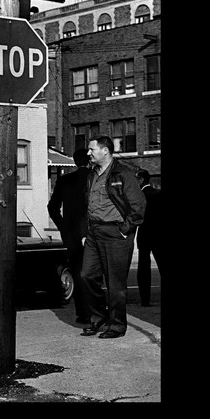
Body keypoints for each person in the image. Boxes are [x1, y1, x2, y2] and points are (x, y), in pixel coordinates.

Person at [78, 135, 146, 339]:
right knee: (86, 275)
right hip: (94, 232)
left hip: (116, 233)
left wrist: (125, 229)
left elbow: (139, 207)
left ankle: (117, 325)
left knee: (115, 283)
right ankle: (98, 317)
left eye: (92, 150)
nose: (88, 153)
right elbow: (86, 204)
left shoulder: (123, 174)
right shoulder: (92, 174)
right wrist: (85, 231)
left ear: (105, 151)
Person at [47, 148, 92, 324]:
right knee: (94, 273)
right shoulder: (94, 178)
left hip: (71, 234)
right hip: (91, 232)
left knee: (78, 272)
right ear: (89, 161)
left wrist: (63, 227)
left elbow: (52, 207)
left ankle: (83, 312)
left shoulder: (64, 180)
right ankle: (95, 311)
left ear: (74, 162)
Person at [136, 169, 163, 306]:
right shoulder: (158, 194)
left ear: (141, 180)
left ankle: (145, 300)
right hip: (159, 234)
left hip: (144, 234)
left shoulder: (139, 196)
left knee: (144, 268)